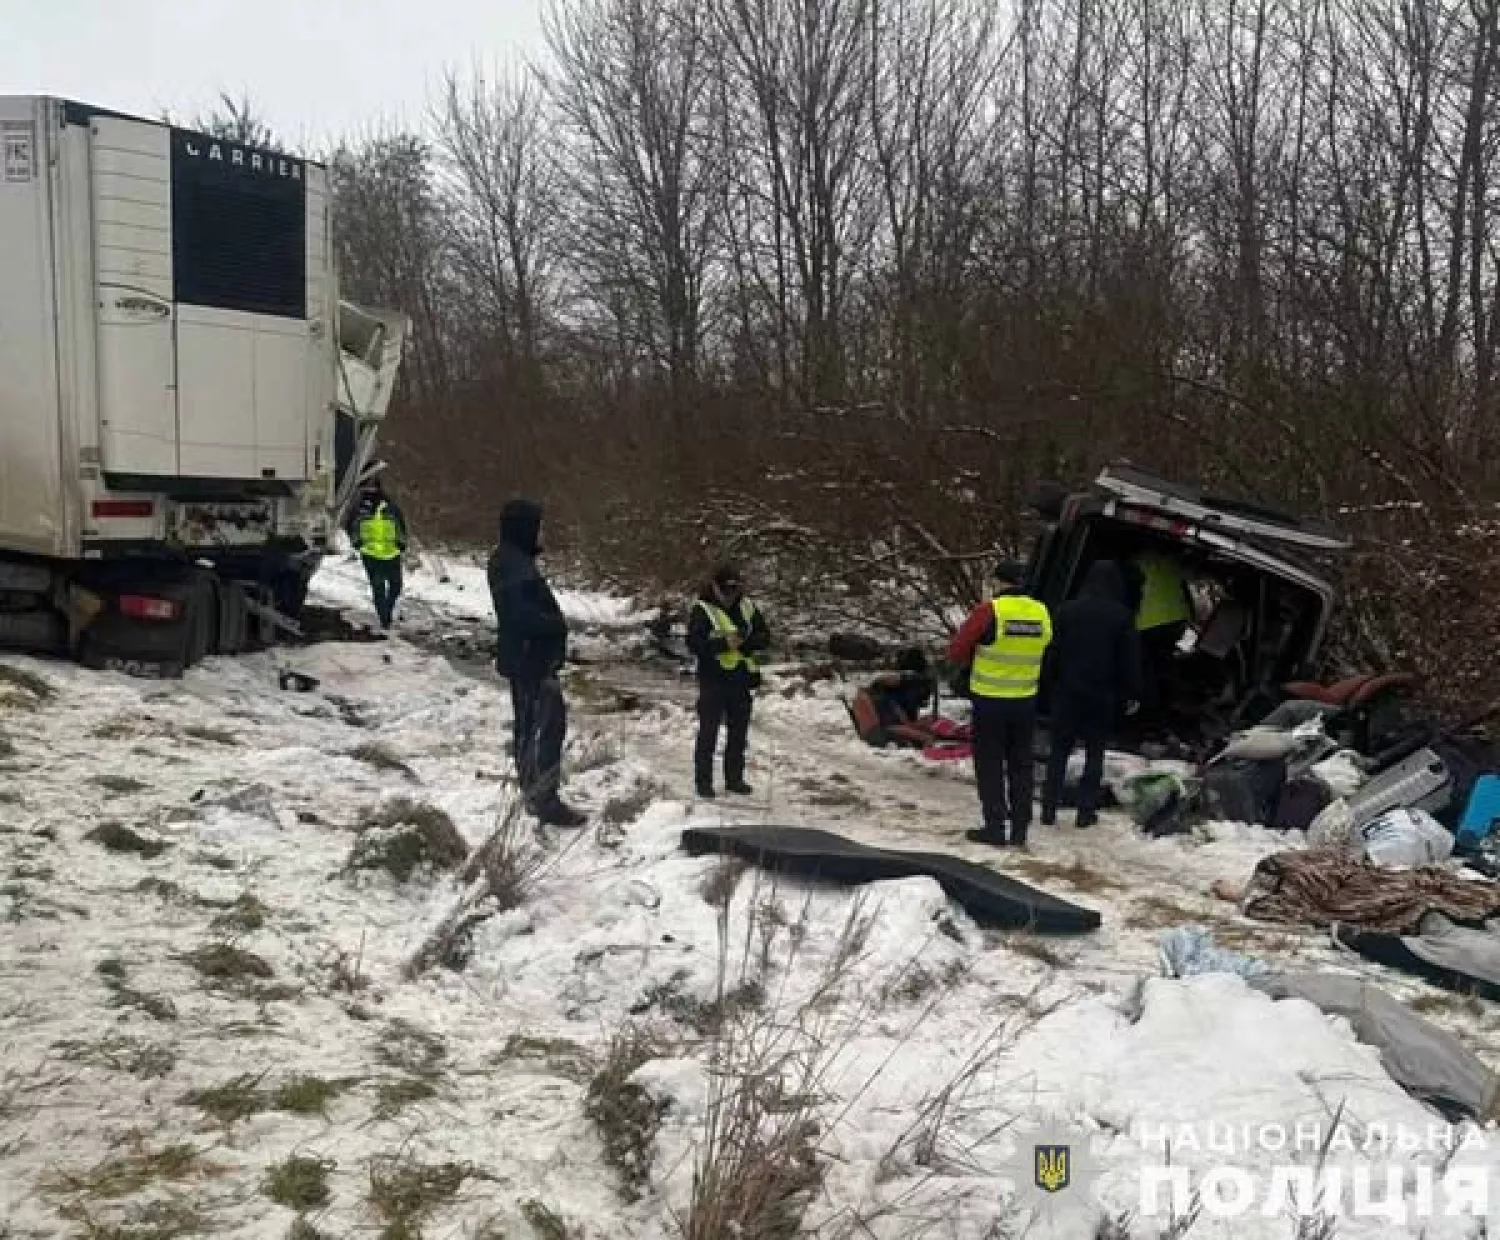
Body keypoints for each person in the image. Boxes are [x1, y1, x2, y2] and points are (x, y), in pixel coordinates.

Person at [487, 499, 586, 827]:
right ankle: (543, 798)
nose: (542, 532)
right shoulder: (512, 565)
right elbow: (520, 615)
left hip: (531, 658)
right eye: (537, 526)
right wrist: (555, 625)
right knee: (542, 727)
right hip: (530, 659)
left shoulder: (514, 561)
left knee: (537, 725)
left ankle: (537, 791)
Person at [947, 561, 1053, 847]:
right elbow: (1046, 646)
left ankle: (995, 827)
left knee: (990, 764)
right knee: (1021, 765)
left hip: (990, 701)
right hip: (1025, 701)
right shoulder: (1041, 611)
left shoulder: (989, 611)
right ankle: (1020, 830)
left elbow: (957, 651)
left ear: (999, 582)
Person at [1040, 560, 1143, 829]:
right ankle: (1085, 812)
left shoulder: (1066, 610)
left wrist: (1047, 684)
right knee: (1094, 754)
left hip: (1067, 692)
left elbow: (1053, 652)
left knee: (1059, 751)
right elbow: (1128, 660)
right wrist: (1132, 691)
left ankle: (1048, 808)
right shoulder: (1122, 616)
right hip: (1101, 695)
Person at [686, 564, 770, 799]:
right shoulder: (703, 610)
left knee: (738, 734)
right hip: (714, 678)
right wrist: (724, 644)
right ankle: (704, 782)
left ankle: (734, 779)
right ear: (716, 588)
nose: (731, 596)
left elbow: (765, 637)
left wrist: (744, 641)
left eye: (735, 590)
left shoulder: (747, 606)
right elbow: (695, 644)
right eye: (726, 591)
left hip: (742, 678)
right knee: (708, 732)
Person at [1125, 550, 1192, 715]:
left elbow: (1130, 596)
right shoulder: (1170, 560)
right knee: (1163, 660)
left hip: (1149, 622)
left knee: (1146, 664)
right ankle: (1168, 700)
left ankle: (1148, 704)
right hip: (1176, 619)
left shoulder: (1135, 563)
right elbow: (1184, 588)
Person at [347, 477, 407, 633]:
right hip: (370, 554)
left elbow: (400, 524)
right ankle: (384, 618)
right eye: (367, 488)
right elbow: (350, 527)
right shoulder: (359, 509)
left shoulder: (390, 506)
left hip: (391, 552)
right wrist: (357, 542)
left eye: (372, 488)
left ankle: (387, 610)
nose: (370, 491)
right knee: (378, 587)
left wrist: (401, 542)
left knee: (396, 586)